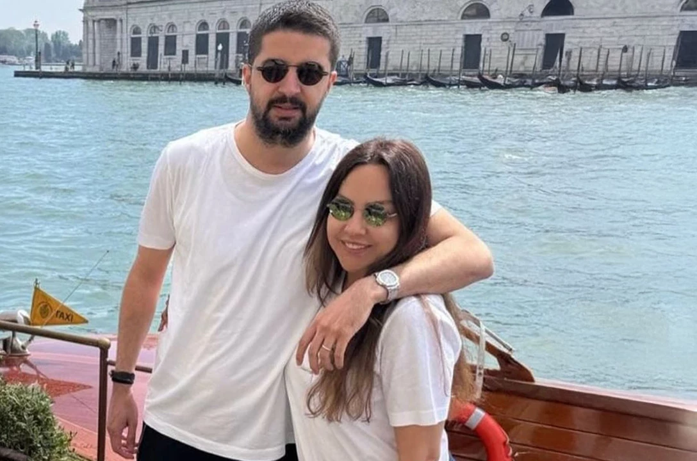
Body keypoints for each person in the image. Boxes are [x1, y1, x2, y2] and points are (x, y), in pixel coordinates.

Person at [106, 1, 493, 460]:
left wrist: (370, 290)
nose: (289, 87)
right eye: (273, 70)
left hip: (284, 440)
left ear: (330, 82)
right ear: (246, 75)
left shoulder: (350, 177)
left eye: (309, 73)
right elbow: (146, 277)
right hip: (176, 422)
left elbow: (473, 254)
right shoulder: (183, 160)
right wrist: (122, 382)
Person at [287, 138, 476, 461]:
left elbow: (422, 457)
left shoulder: (412, 320)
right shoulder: (327, 288)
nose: (353, 228)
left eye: (376, 215)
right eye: (342, 208)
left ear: (410, 223)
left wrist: (371, 289)